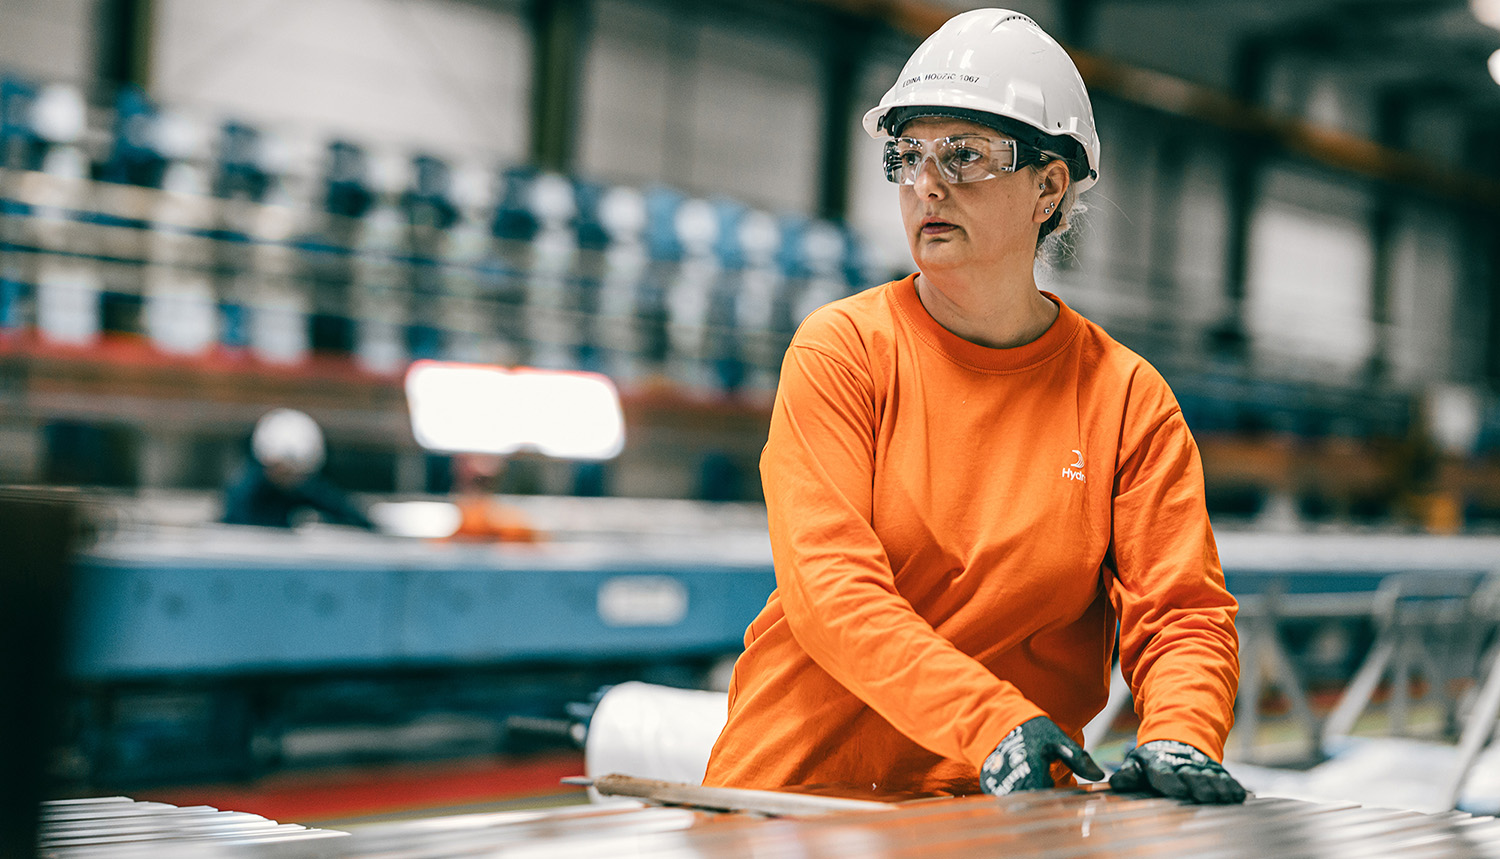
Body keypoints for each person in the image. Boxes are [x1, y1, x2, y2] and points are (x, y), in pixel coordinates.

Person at [702, 8, 1244, 805]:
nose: (928, 182)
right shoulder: (844, 352)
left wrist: (1180, 735)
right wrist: (987, 722)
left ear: (1049, 186)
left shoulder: (1127, 399)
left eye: (965, 155)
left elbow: (1183, 614)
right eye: (910, 154)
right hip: (800, 802)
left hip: (1000, 817)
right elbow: (832, 589)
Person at [222, 408, 375, 530]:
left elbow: (350, 515)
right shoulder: (244, 494)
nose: (293, 479)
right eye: (286, 471)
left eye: (299, 473)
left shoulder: (306, 490)